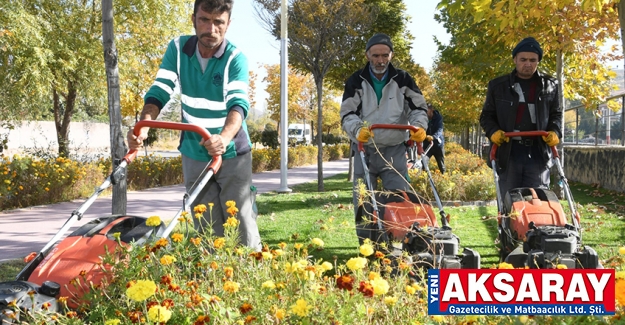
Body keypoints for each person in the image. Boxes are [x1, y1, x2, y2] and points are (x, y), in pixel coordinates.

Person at [127, 0, 261, 251]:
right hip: (193, 151)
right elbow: (160, 91)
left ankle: (248, 277)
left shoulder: (235, 58)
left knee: (241, 221)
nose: (211, 28)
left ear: (228, 24)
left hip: (232, 153)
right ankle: (214, 277)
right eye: (204, 19)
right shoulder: (178, 49)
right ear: (193, 19)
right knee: (206, 224)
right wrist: (143, 126)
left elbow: (238, 105)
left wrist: (223, 137)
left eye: (218, 22)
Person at [340, 33, 429, 244]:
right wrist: (357, 130)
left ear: (391, 55)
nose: (380, 60)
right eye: (375, 55)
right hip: (365, 148)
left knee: (398, 197)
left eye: (385, 55)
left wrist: (418, 127)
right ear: (367, 55)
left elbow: (418, 108)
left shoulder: (403, 79)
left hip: (394, 149)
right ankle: (366, 245)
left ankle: (400, 241)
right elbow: (347, 113)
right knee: (363, 200)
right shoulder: (356, 81)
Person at [479, 37, 562, 198]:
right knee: (510, 202)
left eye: (533, 60)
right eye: (523, 59)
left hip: (538, 153)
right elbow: (486, 116)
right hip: (509, 153)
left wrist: (555, 131)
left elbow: (556, 114)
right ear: (515, 59)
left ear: (538, 61)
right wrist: (494, 131)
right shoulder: (498, 86)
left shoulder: (550, 85)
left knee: (538, 200)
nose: (528, 64)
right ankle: (508, 223)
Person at [422, 103, 446, 174]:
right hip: (427, 145)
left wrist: (433, 137)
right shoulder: (423, 118)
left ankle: (444, 176)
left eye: (427, 111)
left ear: (431, 110)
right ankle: (425, 179)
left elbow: (440, 130)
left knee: (441, 165)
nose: (425, 113)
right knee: (424, 162)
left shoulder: (438, 118)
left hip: (437, 145)